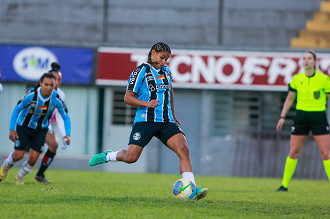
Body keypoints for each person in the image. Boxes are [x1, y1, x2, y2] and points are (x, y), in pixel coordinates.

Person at [89, 42, 208, 200]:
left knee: (183, 149)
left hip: (166, 121)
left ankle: (191, 188)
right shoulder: (141, 71)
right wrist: (147, 103)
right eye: (162, 57)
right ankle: (109, 156)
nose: (164, 62)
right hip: (145, 121)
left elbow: (170, 91)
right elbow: (128, 98)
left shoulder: (166, 72)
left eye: (166, 59)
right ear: (153, 53)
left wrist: (172, 112)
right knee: (131, 157)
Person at [0, 73, 71, 185]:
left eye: (51, 85)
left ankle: (19, 177)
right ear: (40, 83)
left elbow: (65, 117)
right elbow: (16, 110)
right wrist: (11, 129)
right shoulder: (31, 95)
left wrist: (67, 134)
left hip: (40, 130)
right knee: (19, 155)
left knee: (33, 158)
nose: (48, 87)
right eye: (46, 84)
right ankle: (5, 168)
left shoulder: (56, 98)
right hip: (24, 127)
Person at [275, 50, 330, 191]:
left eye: (309, 58)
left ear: (315, 61)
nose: (306, 61)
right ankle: (284, 185)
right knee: (293, 151)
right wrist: (282, 117)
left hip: (319, 118)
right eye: (304, 58)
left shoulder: (324, 79)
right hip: (301, 118)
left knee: (325, 153)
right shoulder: (297, 79)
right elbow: (290, 98)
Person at [34, 62, 69, 184]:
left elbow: (60, 116)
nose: (57, 82)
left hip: (44, 124)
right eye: (55, 79)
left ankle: (40, 174)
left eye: (60, 79)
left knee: (54, 144)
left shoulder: (60, 95)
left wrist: (65, 135)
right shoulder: (37, 91)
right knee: (20, 154)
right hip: (30, 123)